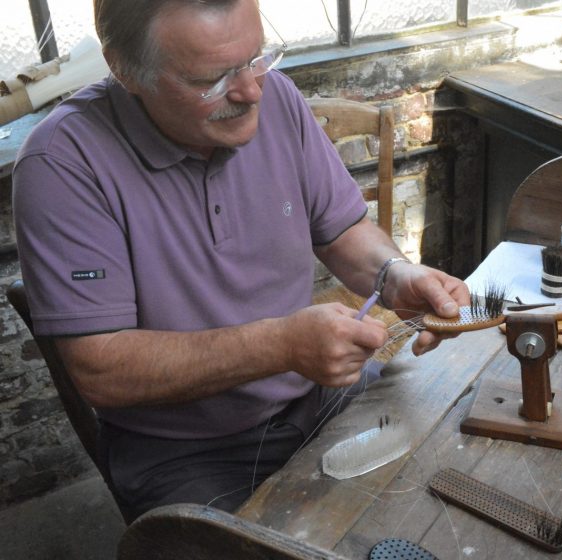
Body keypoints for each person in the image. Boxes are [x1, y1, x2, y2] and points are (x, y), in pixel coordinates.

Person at [12, 0, 469, 522]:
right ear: (123, 69)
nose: (251, 91)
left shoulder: (278, 99)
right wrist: (281, 345)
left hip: (318, 399)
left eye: (257, 58)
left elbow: (342, 229)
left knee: (448, 472)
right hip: (184, 452)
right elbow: (102, 371)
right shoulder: (63, 164)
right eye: (212, 78)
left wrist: (394, 276)